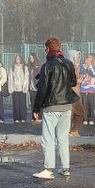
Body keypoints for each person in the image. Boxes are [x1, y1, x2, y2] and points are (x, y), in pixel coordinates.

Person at [32, 37, 77, 179]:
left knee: (48, 138)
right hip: (67, 105)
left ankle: (48, 169)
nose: (45, 51)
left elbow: (42, 90)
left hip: (52, 107)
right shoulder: (69, 63)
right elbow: (73, 82)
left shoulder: (48, 66)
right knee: (63, 138)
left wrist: (36, 109)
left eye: (46, 48)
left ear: (49, 49)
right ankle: (65, 168)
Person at [77, 55, 95, 126]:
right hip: (83, 88)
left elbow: (94, 75)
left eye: (90, 59)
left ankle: (91, 118)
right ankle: (85, 118)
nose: (88, 60)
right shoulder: (82, 67)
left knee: (91, 104)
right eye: (87, 58)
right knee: (84, 104)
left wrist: (90, 67)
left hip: (91, 88)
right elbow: (80, 75)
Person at [8, 53, 31, 123]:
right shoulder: (12, 68)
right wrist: (10, 87)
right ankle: (16, 118)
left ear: (21, 59)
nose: (17, 60)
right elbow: (10, 78)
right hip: (14, 88)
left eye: (18, 58)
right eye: (16, 58)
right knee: (16, 104)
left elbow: (26, 78)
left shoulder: (25, 68)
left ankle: (23, 118)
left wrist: (25, 87)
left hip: (22, 89)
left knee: (22, 104)